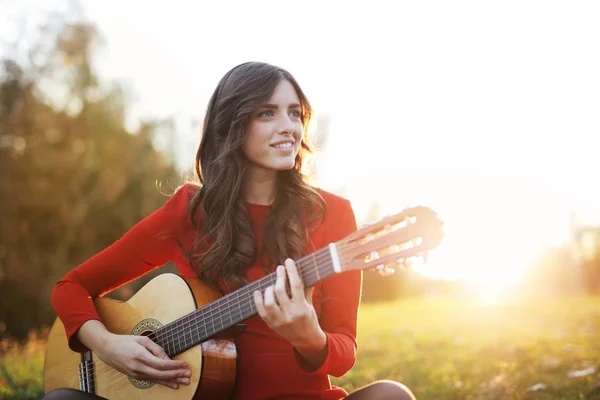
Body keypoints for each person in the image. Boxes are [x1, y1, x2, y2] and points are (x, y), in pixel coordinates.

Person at [43, 61, 417, 400]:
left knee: (391, 395)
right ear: (231, 126)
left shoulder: (331, 213)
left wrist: (309, 336)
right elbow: (71, 288)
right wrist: (109, 346)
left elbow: (344, 351)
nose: (288, 126)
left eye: (294, 113)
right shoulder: (188, 212)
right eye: (267, 113)